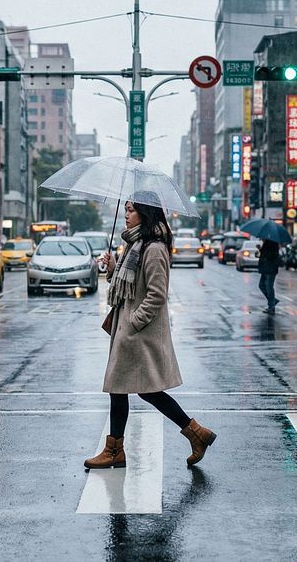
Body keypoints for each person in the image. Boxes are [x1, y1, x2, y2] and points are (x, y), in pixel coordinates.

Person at [86, 197, 216, 471]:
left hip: (138, 334)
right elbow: (130, 286)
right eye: (126, 210)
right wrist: (112, 269)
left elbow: (157, 295)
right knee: (138, 391)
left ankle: (115, 450)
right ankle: (195, 433)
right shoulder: (135, 244)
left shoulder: (154, 248)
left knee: (128, 389)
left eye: (131, 210)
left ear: (145, 214)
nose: (126, 215)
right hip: (129, 331)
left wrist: (133, 323)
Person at [258, 239, 280, 314]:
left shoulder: (272, 243)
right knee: (261, 285)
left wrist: (262, 250)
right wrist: (261, 249)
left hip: (270, 268)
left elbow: (271, 255)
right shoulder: (266, 242)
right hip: (265, 268)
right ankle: (273, 301)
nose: (261, 238)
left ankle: (271, 307)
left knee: (268, 287)